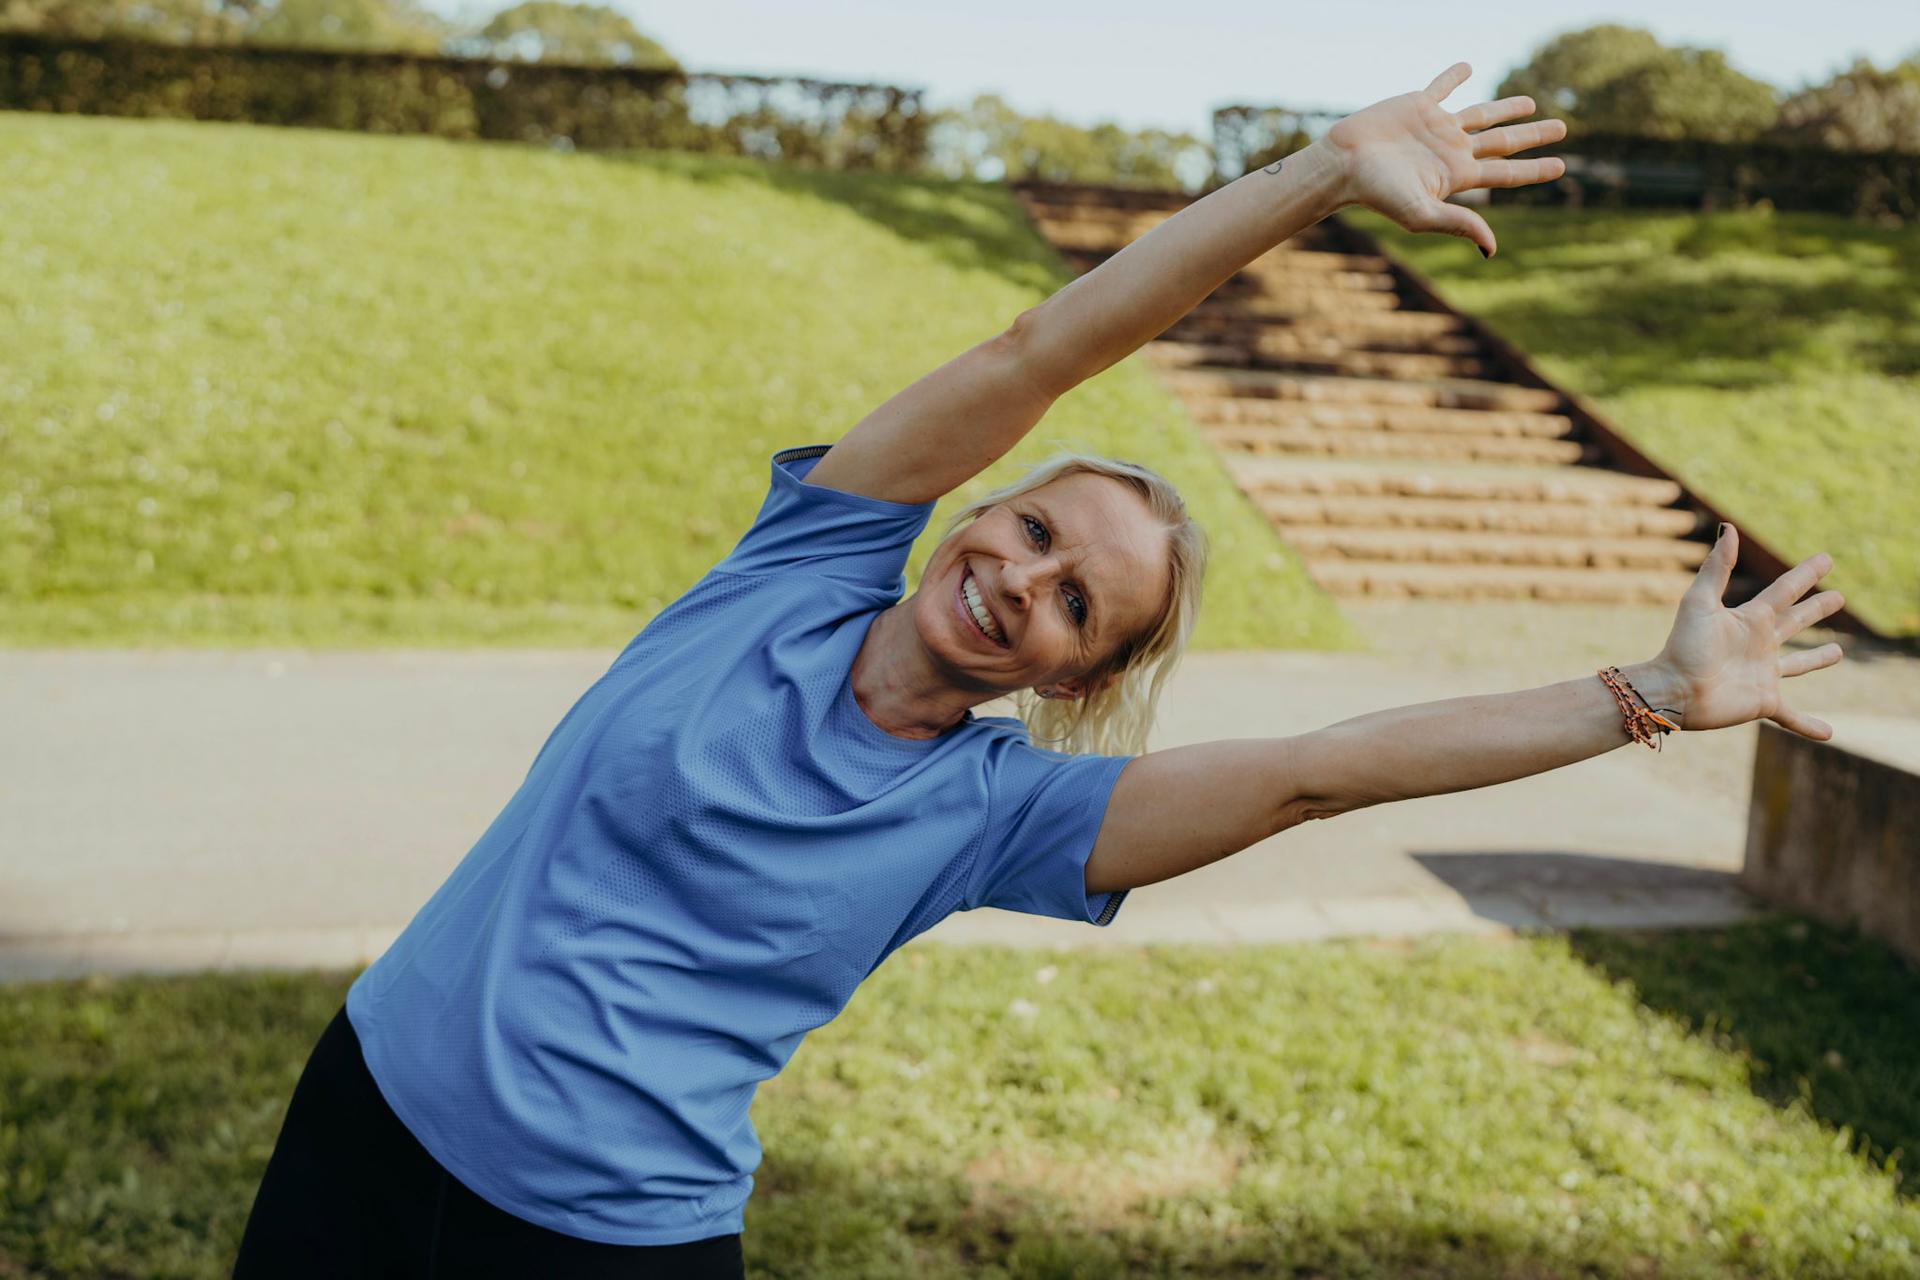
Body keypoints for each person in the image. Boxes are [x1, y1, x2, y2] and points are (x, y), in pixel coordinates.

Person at [234, 63, 1845, 1277]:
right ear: (974, 506)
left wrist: (1642, 696)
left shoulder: (995, 814)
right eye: (1028, 528)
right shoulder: (797, 568)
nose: (1022, 579)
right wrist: (1318, 178)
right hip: (371, 1101)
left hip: (603, 1238)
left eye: (1078, 602)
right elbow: (1043, 350)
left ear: (1077, 677)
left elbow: (1314, 772)